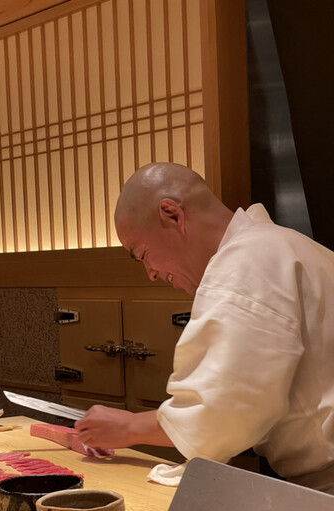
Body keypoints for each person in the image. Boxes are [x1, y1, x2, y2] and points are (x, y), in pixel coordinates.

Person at [74, 162, 334, 493]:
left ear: (172, 215)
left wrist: (130, 427)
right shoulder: (288, 246)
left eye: (142, 255)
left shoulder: (247, 259)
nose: (150, 273)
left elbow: (224, 410)